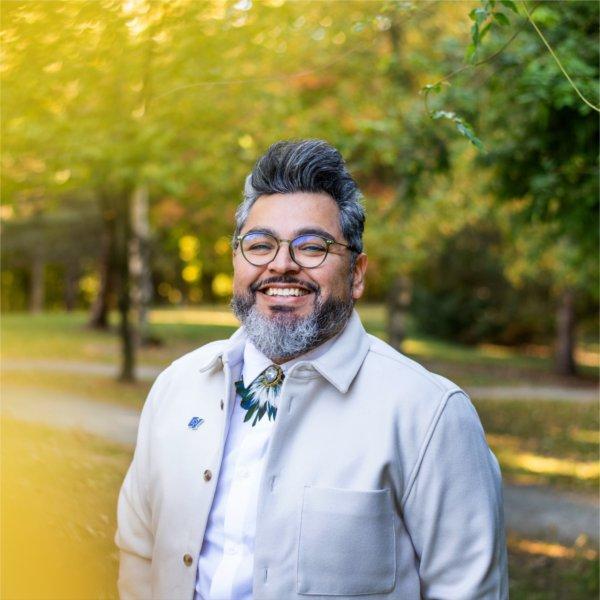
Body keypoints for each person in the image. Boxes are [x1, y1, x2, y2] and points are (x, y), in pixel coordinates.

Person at [116, 139, 508, 599]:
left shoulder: (429, 415)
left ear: (357, 273)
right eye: (259, 245)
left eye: (312, 247)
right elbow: (139, 551)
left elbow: (468, 591)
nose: (281, 265)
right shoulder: (176, 388)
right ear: (237, 262)